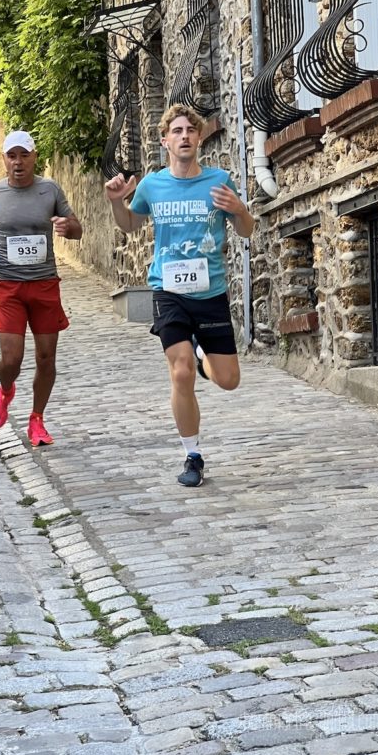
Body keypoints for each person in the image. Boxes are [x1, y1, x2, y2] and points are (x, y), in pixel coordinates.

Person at [104, 104, 255, 488]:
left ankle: (206, 357)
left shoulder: (219, 181)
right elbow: (131, 226)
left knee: (229, 380)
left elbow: (246, 230)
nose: (184, 136)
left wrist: (239, 209)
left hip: (211, 292)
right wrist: (116, 202)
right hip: (168, 290)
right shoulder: (153, 185)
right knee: (180, 369)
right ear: (165, 139)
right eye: (177, 130)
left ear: (199, 138)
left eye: (191, 130)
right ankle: (192, 454)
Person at [0, 131, 82, 446]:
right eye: (11, 156)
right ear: (4, 160)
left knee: (45, 358)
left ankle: (37, 419)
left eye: (23, 155)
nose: (18, 162)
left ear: (34, 156)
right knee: (11, 359)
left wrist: (68, 228)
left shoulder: (48, 189)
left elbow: (77, 227)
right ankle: (7, 390)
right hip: (8, 286)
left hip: (44, 285)